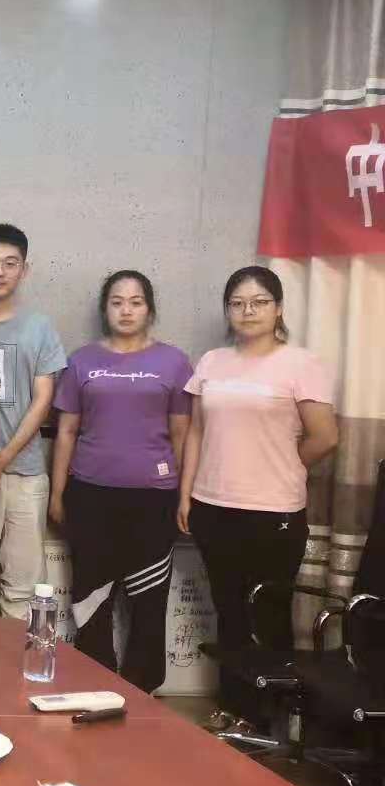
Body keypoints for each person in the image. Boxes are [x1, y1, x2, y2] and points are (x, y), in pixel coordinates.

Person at [178, 266, 337, 718]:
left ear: (278, 308)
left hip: (274, 512)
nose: (248, 311)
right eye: (237, 303)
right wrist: (186, 494)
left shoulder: (301, 363)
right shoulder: (212, 361)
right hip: (212, 507)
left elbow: (325, 437)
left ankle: (269, 719)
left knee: (268, 615)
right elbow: (196, 433)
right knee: (229, 613)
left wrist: (284, 464)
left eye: (259, 302)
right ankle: (233, 711)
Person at [50, 270, 192, 693]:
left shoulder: (174, 362)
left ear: (149, 309)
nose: (126, 310)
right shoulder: (82, 361)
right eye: (116, 302)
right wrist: (58, 494)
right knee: (91, 596)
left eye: (135, 302)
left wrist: (185, 495)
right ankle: (92, 683)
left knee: (148, 597)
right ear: (105, 309)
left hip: (154, 499)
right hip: (90, 496)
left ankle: (142, 688)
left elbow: (182, 434)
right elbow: (66, 432)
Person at [0, 224, 67, 619]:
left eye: (10, 263)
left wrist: (3, 457)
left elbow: (43, 400)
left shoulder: (39, 327)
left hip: (25, 472)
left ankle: (14, 660)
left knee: (24, 588)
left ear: (24, 270)